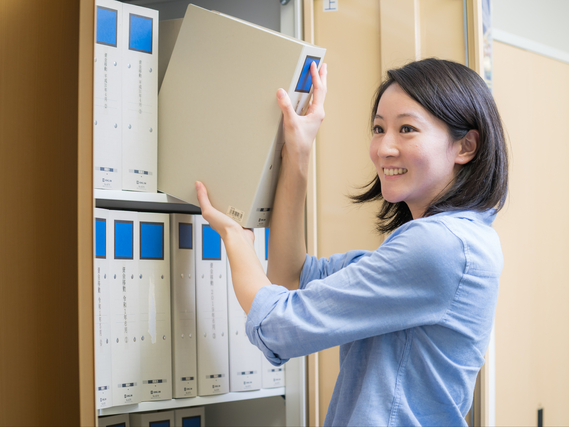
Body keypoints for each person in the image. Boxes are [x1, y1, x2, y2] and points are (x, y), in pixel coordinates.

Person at [196, 58, 508, 426]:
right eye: (378, 129)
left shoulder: (441, 247)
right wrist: (298, 151)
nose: (384, 149)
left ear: (465, 146)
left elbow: (278, 326)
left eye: (406, 129)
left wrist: (235, 237)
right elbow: (292, 278)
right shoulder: (455, 240)